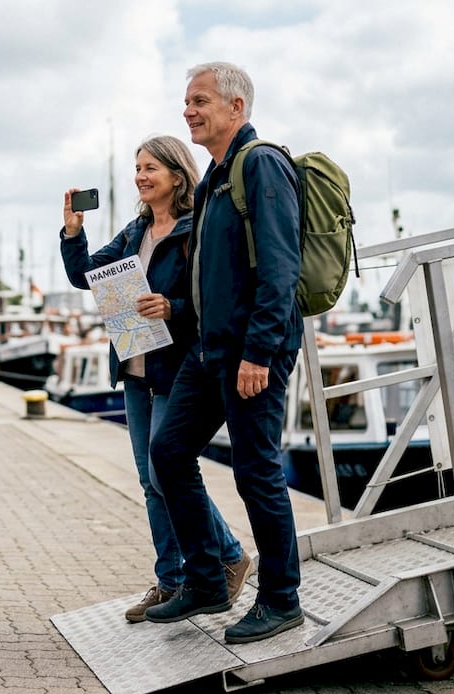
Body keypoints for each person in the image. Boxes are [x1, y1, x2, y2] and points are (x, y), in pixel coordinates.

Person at [142, 62, 304, 645]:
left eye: (201, 100)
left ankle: (282, 600)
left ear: (236, 107)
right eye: (187, 101)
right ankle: (208, 581)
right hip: (210, 351)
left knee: (256, 472)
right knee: (169, 451)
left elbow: (281, 268)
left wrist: (259, 352)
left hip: (251, 353)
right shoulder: (215, 175)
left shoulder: (259, 165)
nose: (188, 110)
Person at [59, 134, 251, 623]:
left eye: (150, 168)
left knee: (169, 473)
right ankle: (170, 579)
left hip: (176, 368)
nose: (140, 177)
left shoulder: (195, 229)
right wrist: (73, 233)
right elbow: (85, 276)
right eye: (138, 168)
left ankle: (228, 555)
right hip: (134, 366)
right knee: (150, 481)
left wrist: (173, 307)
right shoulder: (135, 231)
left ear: (177, 176)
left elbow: (212, 299)